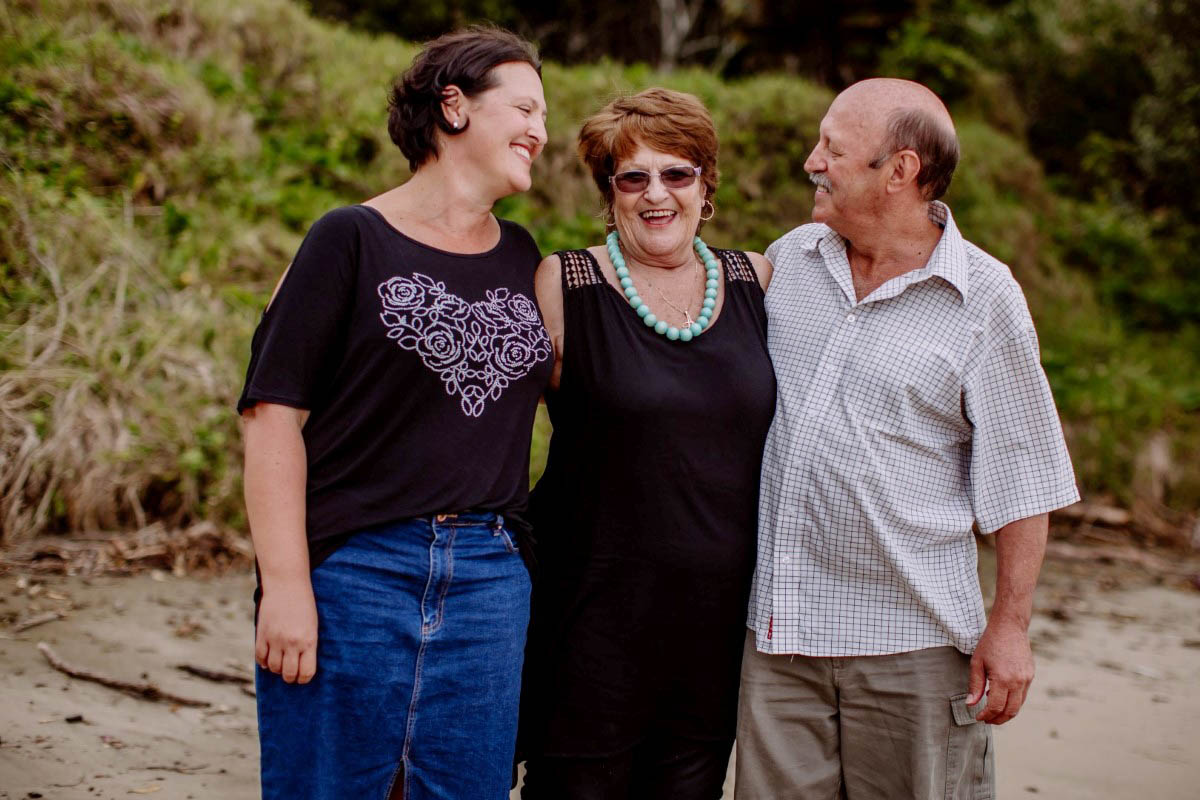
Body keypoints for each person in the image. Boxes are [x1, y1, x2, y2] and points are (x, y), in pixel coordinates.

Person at [736, 78, 1080, 799]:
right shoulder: (790, 260)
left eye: (832, 148)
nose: (811, 161)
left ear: (900, 171)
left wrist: (1010, 627)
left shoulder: (986, 298)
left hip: (914, 650)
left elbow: (1023, 477)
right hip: (777, 642)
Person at [238, 27, 550, 800]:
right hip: (357, 572)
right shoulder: (348, 238)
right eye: (524, 108)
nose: (541, 131)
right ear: (453, 107)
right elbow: (270, 416)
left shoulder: (524, 255)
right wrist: (285, 587)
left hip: (490, 581)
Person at [517, 87, 776, 800]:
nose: (655, 194)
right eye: (632, 177)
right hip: (592, 621)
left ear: (706, 184)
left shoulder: (761, 280)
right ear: (609, 193)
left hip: (717, 627)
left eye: (677, 173)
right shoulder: (564, 283)